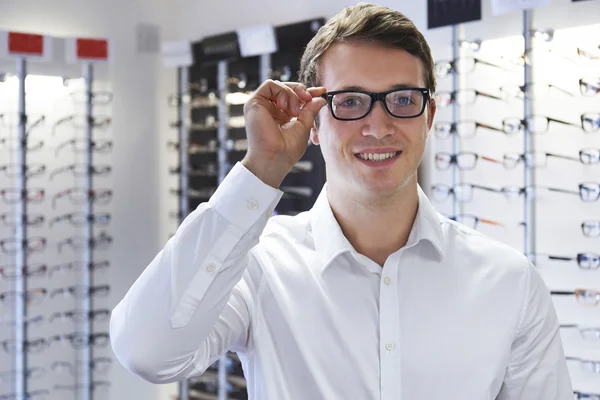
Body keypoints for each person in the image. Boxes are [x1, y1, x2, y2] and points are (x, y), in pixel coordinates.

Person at [110, 3, 573, 399]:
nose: (377, 126)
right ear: (313, 123)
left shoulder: (510, 283)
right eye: (350, 102)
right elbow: (147, 352)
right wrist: (259, 170)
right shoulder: (258, 267)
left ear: (428, 116)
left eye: (402, 99)